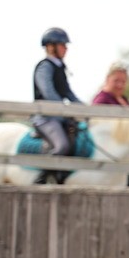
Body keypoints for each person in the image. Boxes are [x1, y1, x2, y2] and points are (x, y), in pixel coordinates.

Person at [31, 27, 81, 185]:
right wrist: (64, 110)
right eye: (62, 44)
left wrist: (86, 109)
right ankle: (40, 179)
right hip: (45, 118)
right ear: (51, 46)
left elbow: (68, 93)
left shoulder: (60, 67)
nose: (66, 48)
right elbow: (48, 92)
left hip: (59, 116)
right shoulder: (44, 67)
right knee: (62, 146)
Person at [91, 63, 129, 186]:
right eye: (116, 81)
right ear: (108, 79)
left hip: (124, 155)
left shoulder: (123, 100)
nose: (120, 85)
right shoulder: (102, 100)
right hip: (108, 153)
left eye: (123, 81)